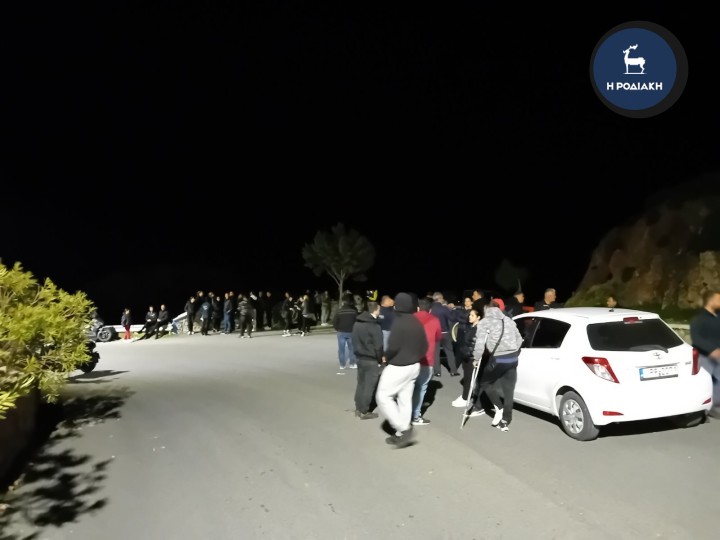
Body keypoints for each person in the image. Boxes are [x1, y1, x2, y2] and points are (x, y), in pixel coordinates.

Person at [375, 292, 428, 448]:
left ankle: (403, 429)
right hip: (414, 366)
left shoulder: (399, 322)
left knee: (383, 396)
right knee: (404, 400)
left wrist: (386, 357)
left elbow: (393, 347)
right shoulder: (417, 322)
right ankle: (401, 433)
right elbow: (425, 346)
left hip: (399, 367)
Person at [472, 300, 523, 432]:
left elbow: (479, 343)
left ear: (486, 309)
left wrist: (476, 358)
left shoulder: (484, 322)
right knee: (509, 390)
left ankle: (498, 407)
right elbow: (519, 339)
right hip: (513, 358)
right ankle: (506, 420)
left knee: (485, 382)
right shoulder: (509, 320)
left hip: (499, 358)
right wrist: (513, 350)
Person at [411, 297, 441, 426]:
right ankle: (415, 416)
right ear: (430, 309)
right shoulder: (434, 320)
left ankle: (403, 414)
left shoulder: (410, 318)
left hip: (409, 359)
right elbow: (438, 337)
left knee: (407, 387)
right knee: (421, 388)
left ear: (418, 308)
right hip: (426, 360)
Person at [690, 290, 720, 418]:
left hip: (718, 355)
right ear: (710, 301)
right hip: (704, 356)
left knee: (718, 381)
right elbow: (696, 338)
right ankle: (706, 408)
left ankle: (715, 406)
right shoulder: (698, 319)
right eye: (718, 299)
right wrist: (711, 349)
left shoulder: (718, 317)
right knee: (706, 382)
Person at [351, 301, 383, 419]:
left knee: (361, 383)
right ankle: (364, 411)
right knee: (369, 386)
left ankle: (358, 408)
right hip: (371, 358)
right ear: (375, 310)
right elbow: (378, 346)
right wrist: (380, 360)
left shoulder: (357, 323)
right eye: (379, 309)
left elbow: (353, 340)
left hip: (360, 357)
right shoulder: (374, 326)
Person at [333, 293, 358, 369]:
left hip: (341, 332)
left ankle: (342, 365)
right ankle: (352, 363)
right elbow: (357, 321)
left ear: (343, 302)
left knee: (341, 349)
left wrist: (337, 328)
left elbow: (335, 322)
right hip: (351, 331)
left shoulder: (339, 311)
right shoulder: (354, 311)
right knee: (352, 348)